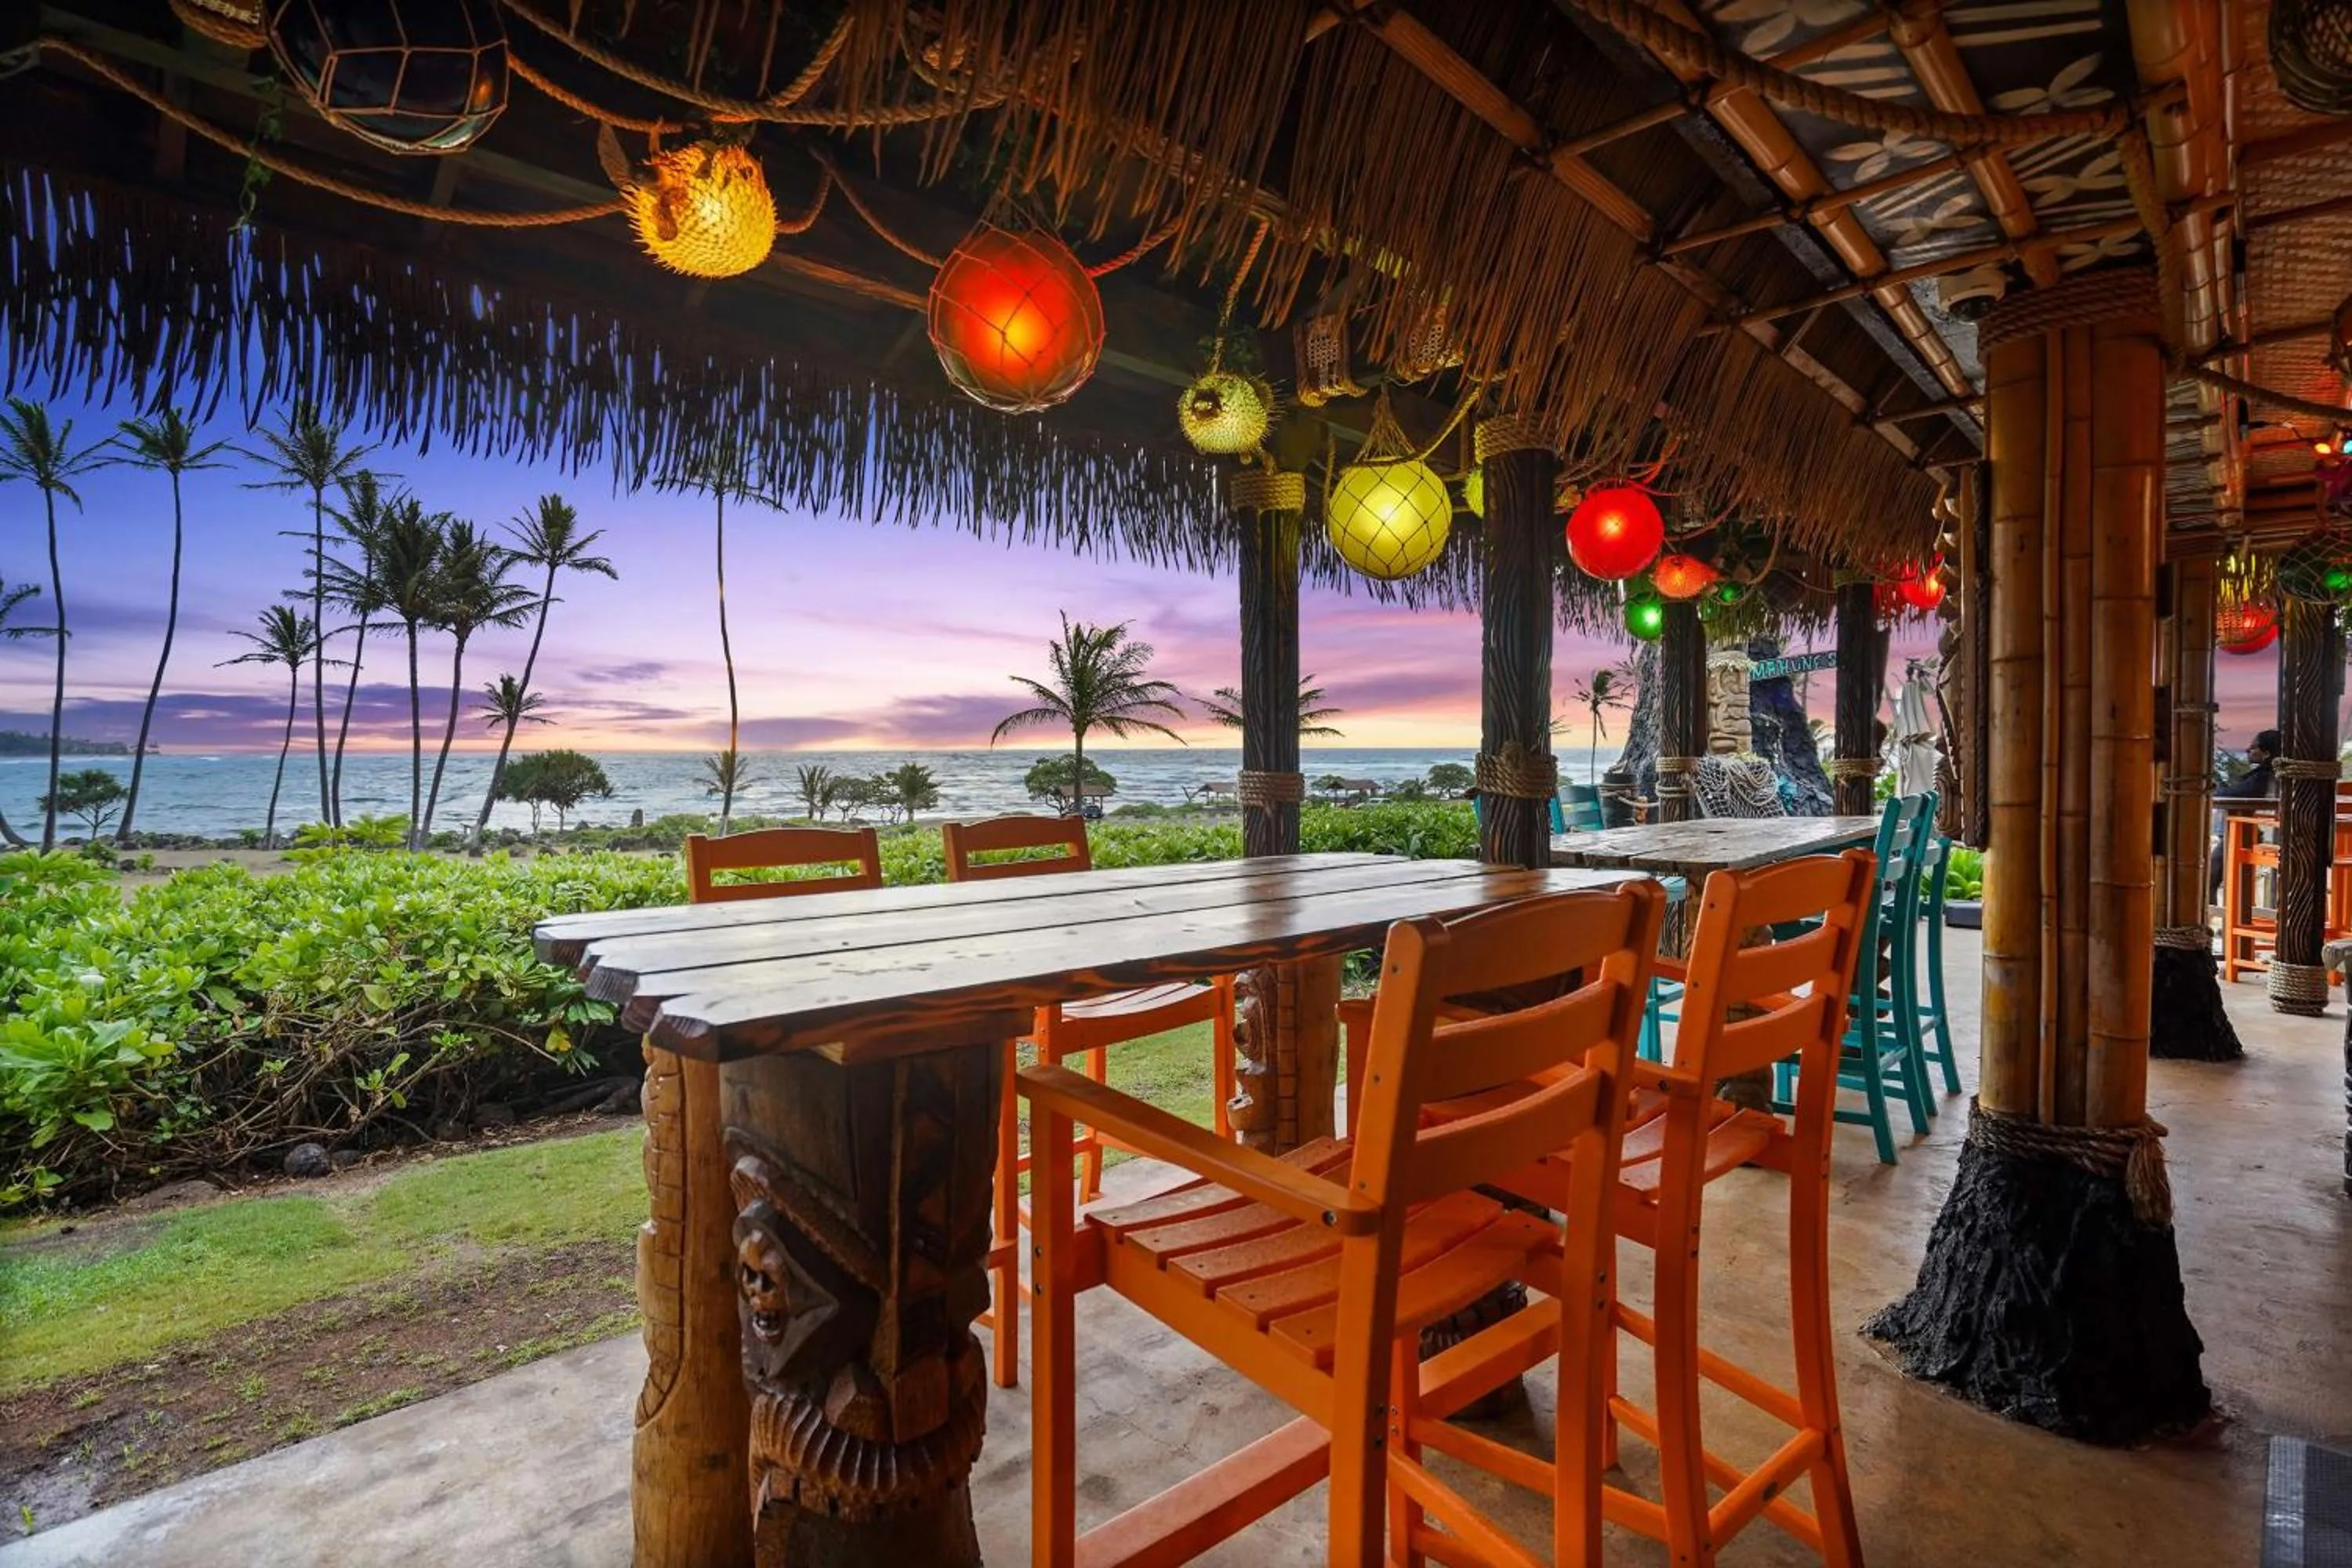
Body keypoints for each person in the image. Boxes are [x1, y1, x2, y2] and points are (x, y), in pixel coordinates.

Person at [2210, 728, 2281, 905]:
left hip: (2245, 834)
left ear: (2266, 753)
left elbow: (2234, 795)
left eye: (2253, 747)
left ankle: (2209, 919)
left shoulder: (2262, 777)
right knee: (2213, 874)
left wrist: (2215, 788)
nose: (2248, 750)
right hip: (2253, 832)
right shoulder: (2270, 775)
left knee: (2210, 878)